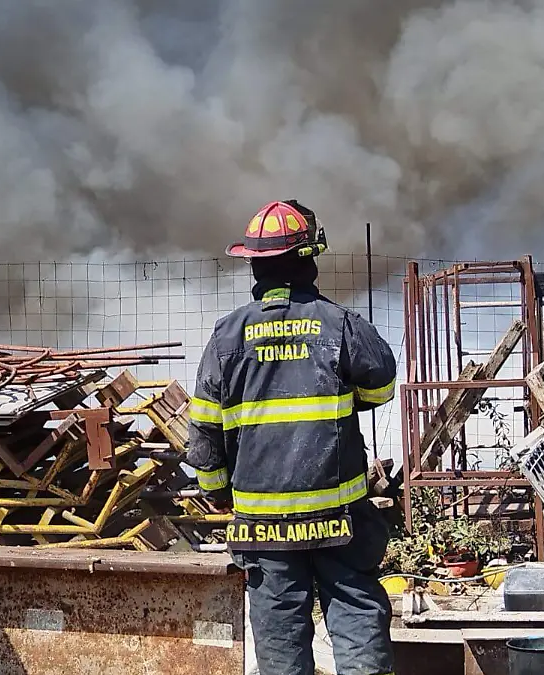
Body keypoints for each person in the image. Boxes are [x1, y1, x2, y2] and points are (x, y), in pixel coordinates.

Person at [187, 200, 398, 675]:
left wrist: (217, 490)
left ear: (254, 265)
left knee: (280, 644)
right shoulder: (338, 324)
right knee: (356, 621)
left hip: (264, 528)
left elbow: (203, 431)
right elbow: (381, 386)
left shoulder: (227, 337)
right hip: (337, 519)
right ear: (310, 259)